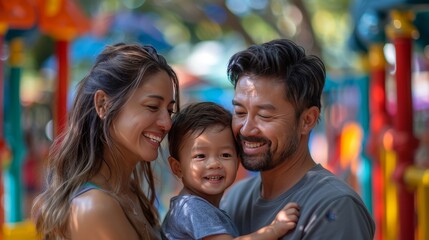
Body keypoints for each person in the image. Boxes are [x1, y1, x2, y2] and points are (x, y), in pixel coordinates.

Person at [220, 39, 376, 239]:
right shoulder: (235, 199)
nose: (246, 128)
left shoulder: (335, 206)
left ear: (307, 120)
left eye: (265, 116)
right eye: (240, 112)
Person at [32, 43, 180, 239]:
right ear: (103, 104)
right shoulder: (95, 206)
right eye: (153, 107)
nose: (167, 123)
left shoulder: (128, 192)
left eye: (169, 111)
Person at [162, 101, 300, 240]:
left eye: (225, 155)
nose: (214, 164)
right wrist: (272, 231)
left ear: (238, 161)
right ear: (177, 168)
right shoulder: (193, 207)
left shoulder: (199, 206)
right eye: (200, 156)